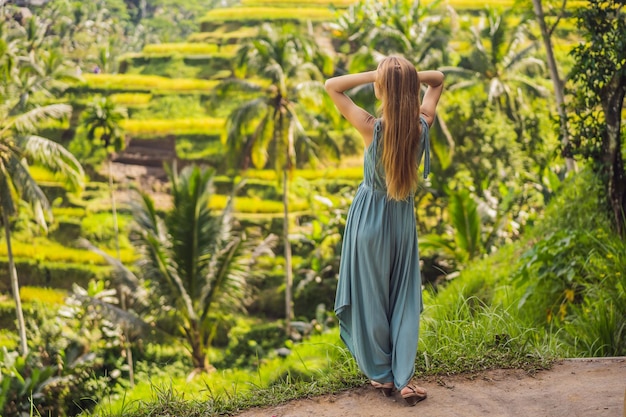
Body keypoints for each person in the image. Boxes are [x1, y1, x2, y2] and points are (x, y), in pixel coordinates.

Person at [325, 55, 444, 406]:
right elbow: (438, 79)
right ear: (410, 88)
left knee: (371, 299)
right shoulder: (423, 123)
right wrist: (405, 77)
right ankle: (405, 380)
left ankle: (382, 376)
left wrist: (382, 76)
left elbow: (332, 86)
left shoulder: (370, 126)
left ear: (381, 88)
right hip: (401, 222)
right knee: (403, 299)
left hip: (368, 219)